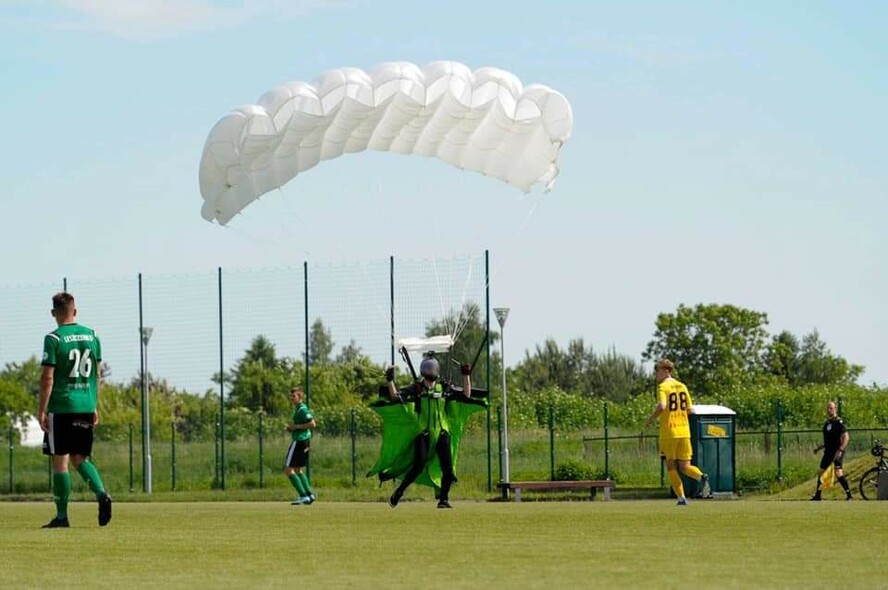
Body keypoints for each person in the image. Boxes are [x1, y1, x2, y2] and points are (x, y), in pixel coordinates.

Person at [38, 292, 112, 528]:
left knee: (60, 461)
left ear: (53, 313)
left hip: (62, 406)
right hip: (86, 405)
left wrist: (42, 409)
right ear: (75, 311)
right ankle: (101, 494)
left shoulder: (53, 338)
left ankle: (61, 517)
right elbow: (96, 374)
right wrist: (94, 405)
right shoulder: (93, 335)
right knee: (80, 458)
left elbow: (47, 378)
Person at [384, 354, 472, 509]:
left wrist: (466, 376)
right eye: (428, 368)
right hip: (424, 433)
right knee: (418, 467)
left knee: (448, 469)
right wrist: (390, 380)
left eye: (432, 368)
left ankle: (443, 500)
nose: (430, 371)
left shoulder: (444, 388)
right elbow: (395, 397)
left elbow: (466, 395)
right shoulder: (416, 389)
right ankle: (398, 493)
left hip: (442, 432)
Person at [645, 358, 710, 505]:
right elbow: (690, 410)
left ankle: (681, 498)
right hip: (684, 432)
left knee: (671, 466)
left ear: (666, 371)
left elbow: (662, 406)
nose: (656, 374)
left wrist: (650, 419)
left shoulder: (663, 387)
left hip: (670, 432)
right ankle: (701, 477)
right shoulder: (682, 386)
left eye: (658, 371)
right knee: (685, 466)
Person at [811, 400, 852, 501]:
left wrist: (840, 450)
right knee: (821, 472)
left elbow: (846, 437)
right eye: (828, 408)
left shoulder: (839, 422)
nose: (829, 410)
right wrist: (819, 448)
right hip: (828, 452)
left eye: (831, 408)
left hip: (837, 451)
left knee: (838, 473)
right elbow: (828, 441)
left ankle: (849, 495)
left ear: (835, 409)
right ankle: (817, 495)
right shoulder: (827, 423)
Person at [285, 387, 317, 505]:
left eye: (294, 396)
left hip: (299, 441)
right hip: (304, 441)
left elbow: (312, 424)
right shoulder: (298, 409)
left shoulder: (302, 409)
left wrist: (296, 427)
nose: (291, 398)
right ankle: (309, 495)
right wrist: (292, 428)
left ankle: (303, 495)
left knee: (288, 469)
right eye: (291, 396)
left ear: (300, 397)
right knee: (297, 469)